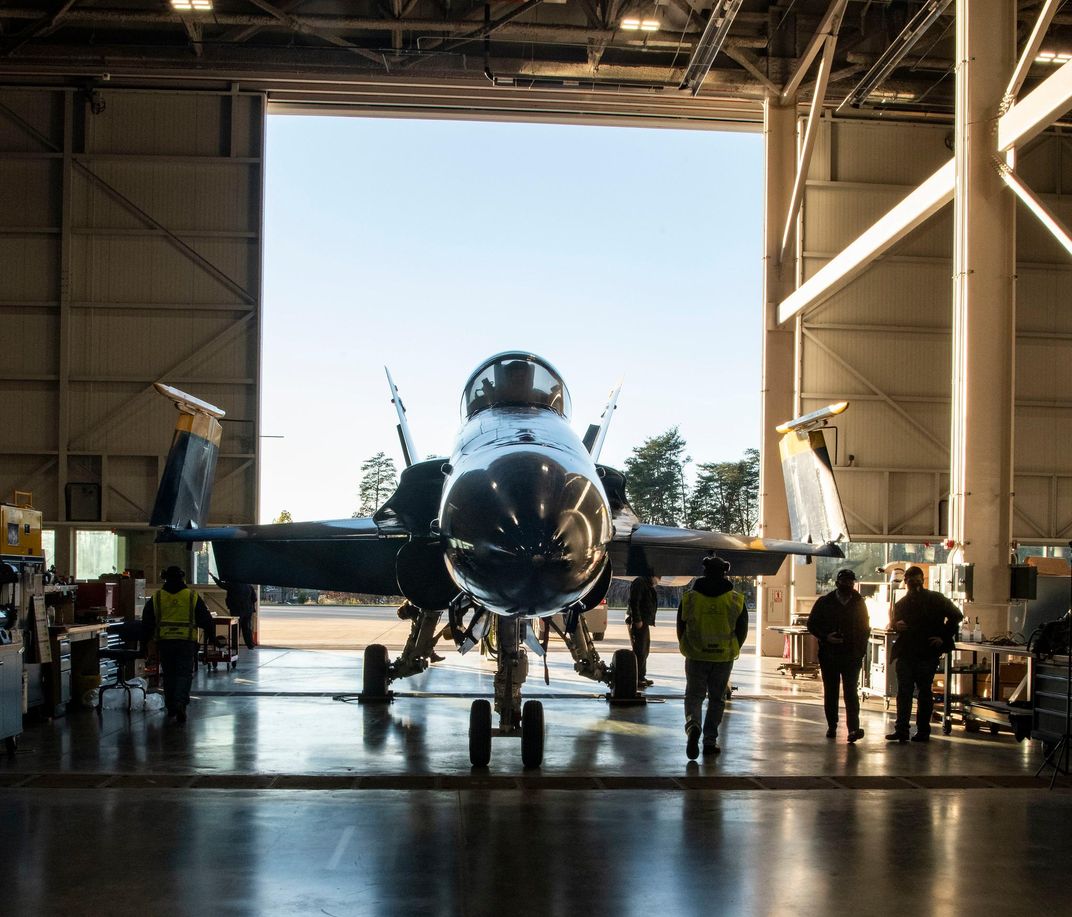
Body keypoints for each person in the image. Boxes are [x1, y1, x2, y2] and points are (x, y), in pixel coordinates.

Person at [677, 554, 748, 759]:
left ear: (705, 571)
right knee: (717, 699)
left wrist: (687, 645)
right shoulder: (735, 599)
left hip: (696, 655)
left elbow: (681, 626)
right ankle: (710, 741)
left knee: (694, 696)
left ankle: (693, 726)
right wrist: (732, 647)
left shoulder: (690, 598)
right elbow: (741, 630)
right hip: (723, 657)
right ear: (725, 573)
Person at [886, 565, 964, 743]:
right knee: (908, 692)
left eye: (916, 582)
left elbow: (956, 616)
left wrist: (943, 637)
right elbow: (893, 623)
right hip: (908, 651)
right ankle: (904, 730)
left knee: (920, 693)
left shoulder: (935, 599)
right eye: (911, 582)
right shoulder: (902, 604)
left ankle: (919, 730)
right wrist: (895, 625)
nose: (914, 585)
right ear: (906, 582)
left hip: (925, 652)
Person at [142, 565, 214, 723]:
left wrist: (144, 645)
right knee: (184, 674)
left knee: (169, 675)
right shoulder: (192, 596)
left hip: (165, 643)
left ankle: (171, 707)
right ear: (182, 577)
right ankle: (181, 702)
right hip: (186, 642)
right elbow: (206, 620)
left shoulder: (158, 597)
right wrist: (212, 639)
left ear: (165, 577)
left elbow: (146, 622)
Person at [807, 568, 870, 743]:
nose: (848, 585)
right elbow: (811, 624)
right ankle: (832, 726)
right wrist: (826, 637)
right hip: (829, 655)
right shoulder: (825, 602)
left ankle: (853, 728)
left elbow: (865, 628)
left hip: (851, 656)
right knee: (831, 692)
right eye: (845, 582)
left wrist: (860, 651)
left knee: (851, 692)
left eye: (851, 582)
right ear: (837, 583)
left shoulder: (859, 603)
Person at [210, 572, 258, 650]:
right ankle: (250, 645)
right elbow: (254, 598)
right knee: (247, 628)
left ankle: (235, 646)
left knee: (235, 628)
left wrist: (213, 577)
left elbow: (221, 585)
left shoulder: (232, 584)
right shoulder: (248, 585)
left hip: (236, 610)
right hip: (248, 610)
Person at [626, 575, 658, 688]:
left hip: (644, 622)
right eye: (658, 577)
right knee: (640, 650)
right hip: (639, 622)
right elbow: (634, 602)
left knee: (644, 650)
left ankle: (641, 676)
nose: (658, 580)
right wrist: (637, 619)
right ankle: (637, 677)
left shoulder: (646, 584)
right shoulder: (640, 582)